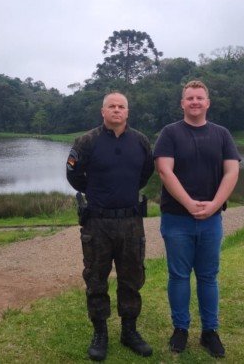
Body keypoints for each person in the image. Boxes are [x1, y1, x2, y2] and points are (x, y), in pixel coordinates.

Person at [153, 80, 241, 358]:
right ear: (182, 103)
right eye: (189, 98)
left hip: (211, 220)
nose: (194, 102)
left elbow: (232, 172)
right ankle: (180, 329)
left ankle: (209, 332)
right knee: (179, 276)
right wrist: (189, 203)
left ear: (207, 102)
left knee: (208, 276)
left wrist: (215, 204)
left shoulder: (222, 134)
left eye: (199, 98)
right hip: (176, 218)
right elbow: (165, 171)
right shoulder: (170, 133)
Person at [66, 92, 155, 361]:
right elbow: (73, 175)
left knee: (132, 278)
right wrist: (97, 192)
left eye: (121, 106)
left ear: (127, 112)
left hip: (130, 222)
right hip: (97, 222)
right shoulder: (86, 142)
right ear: (103, 111)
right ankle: (100, 333)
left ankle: (129, 331)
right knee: (96, 279)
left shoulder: (140, 141)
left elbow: (145, 173)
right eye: (111, 106)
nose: (117, 110)